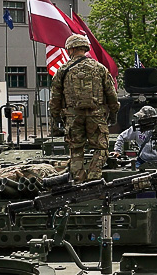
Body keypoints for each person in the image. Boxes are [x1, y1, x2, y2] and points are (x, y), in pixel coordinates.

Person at [48, 33, 121, 182]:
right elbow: (111, 93)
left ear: (71, 49)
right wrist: (114, 112)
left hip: (73, 116)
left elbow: (55, 97)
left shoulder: (63, 70)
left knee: (76, 150)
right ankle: (94, 178)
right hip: (96, 115)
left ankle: (79, 181)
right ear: (84, 48)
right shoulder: (100, 68)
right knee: (101, 148)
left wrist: (55, 117)